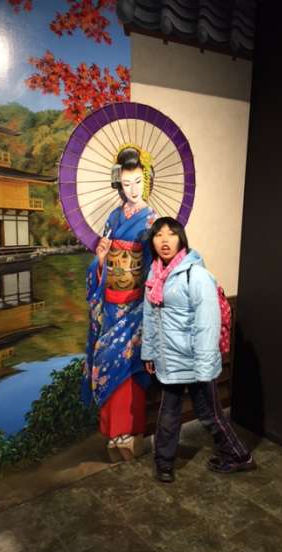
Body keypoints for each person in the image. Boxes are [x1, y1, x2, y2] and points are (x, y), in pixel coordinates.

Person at [141, 216, 256, 482]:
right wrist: (149, 352)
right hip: (169, 360)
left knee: (209, 414)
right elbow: (150, 317)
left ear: (181, 239)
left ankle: (239, 456)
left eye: (171, 234)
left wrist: (204, 368)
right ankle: (164, 464)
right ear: (152, 241)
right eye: (158, 235)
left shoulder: (197, 274)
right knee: (168, 412)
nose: (165, 240)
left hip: (195, 360)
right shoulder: (154, 274)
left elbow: (207, 324)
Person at [82, 144, 158, 461]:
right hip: (111, 306)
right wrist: (100, 260)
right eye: (126, 184)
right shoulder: (113, 217)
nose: (133, 190)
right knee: (107, 363)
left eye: (138, 182)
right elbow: (98, 264)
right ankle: (113, 433)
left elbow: (155, 268)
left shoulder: (152, 221)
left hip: (136, 307)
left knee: (128, 368)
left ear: (146, 180)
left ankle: (130, 432)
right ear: (119, 184)